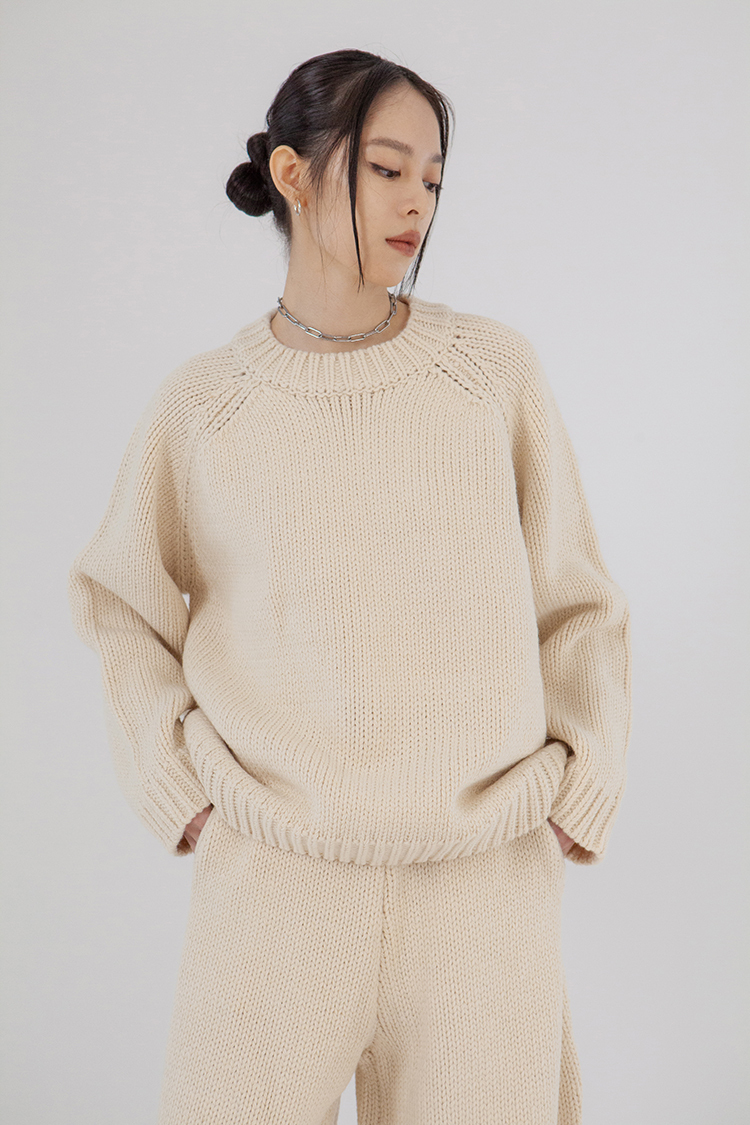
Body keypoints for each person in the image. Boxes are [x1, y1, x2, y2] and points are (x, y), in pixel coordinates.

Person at [68, 47, 631, 1125]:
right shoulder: (205, 406)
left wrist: (586, 772)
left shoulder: (491, 374)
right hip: (274, 879)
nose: (418, 199)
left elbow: (579, 598)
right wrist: (178, 787)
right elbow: (118, 601)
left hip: (482, 884)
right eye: (386, 168)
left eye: (434, 176)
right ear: (293, 173)